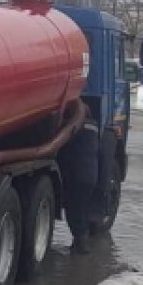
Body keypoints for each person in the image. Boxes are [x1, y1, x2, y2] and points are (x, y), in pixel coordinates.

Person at [56, 105, 100, 255]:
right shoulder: (93, 127)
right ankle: (80, 243)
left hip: (76, 175)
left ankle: (81, 245)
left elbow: (62, 148)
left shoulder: (74, 128)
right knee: (80, 210)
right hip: (90, 175)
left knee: (74, 211)